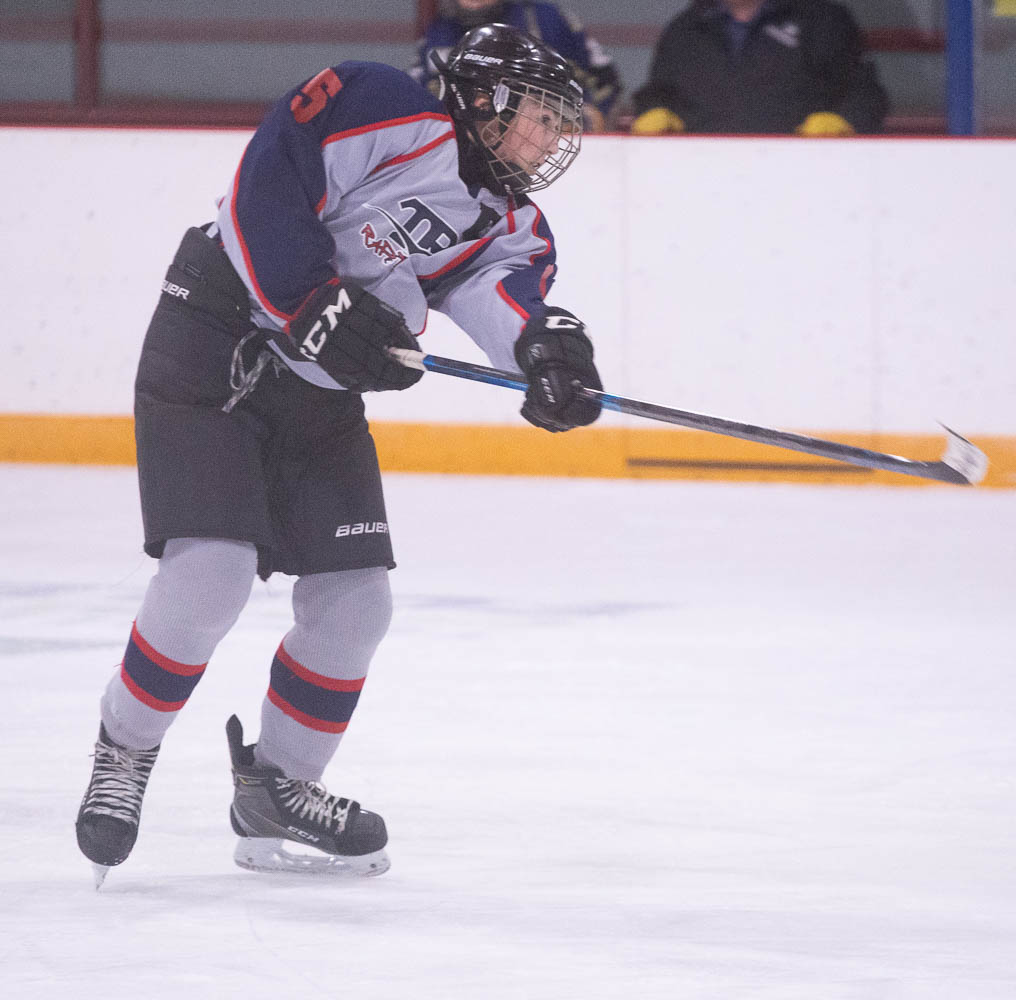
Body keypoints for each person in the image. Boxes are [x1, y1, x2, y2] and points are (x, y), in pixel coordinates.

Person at [74, 24, 603, 882]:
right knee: (210, 577)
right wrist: (308, 299)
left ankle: (278, 788)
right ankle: (124, 751)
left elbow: (501, 292)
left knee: (357, 605)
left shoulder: (511, 221)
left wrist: (546, 355)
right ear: (484, 100)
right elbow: (271, 177)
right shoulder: (381, 103)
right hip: (217, 335)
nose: (549, 140)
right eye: (539, 117)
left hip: (316, 388)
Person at [631, 0, 889, 136]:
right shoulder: (685, 28)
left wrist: (844, 121)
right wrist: (653, 111)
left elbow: (865, 94)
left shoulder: (822, 20)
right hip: (702, 180)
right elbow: (657, 93)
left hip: (804, 179)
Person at [412, 0, 622, 130]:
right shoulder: (438, 30)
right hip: (464, 151)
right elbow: (417, 95)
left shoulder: (546, 20)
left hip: (551, 147)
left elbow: (606, 81)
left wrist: (589, 114)